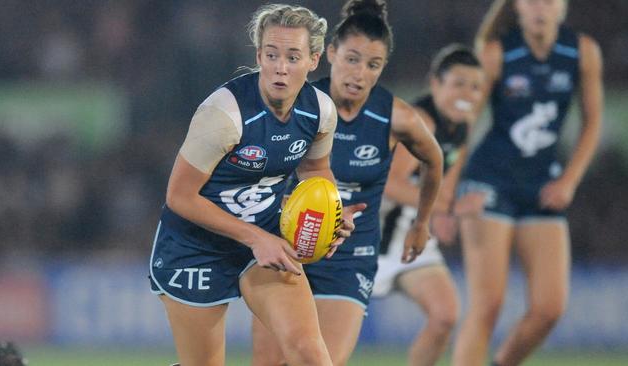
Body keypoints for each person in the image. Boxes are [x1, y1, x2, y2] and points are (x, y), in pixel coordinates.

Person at [147, 4, 365, 366]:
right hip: (196, 247)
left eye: (293, 56)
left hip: (265, 242)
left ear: (313, 60)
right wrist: (255, 238)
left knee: (312, 357)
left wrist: (331, 211)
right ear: (258, 56)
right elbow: (179, 196)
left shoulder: (320, 112)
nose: (281, 67)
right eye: (272, 54)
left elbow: (316, 171)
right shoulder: (224, 115)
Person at [251, 1, 444, 365]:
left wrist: (422, 222)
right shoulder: (301, 103)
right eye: (352, 59)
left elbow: (434, 160)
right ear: (330, 54)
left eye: (373, 65)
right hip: (287, 247)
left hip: (351, 257)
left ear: (383, 67)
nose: (359, 74)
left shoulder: (395, 116)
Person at [451, 0, 603, 365]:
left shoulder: (582, 51)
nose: (540, 7)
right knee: (487, 304)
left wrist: (569, 180)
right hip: (489, 182)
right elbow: (465, 126)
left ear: (563, 6)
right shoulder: (495, 53)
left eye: (548, 0)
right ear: (517, 6)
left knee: (549, 308)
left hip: (541, 186)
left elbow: (592, 122)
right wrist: (448, 194)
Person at [373, 44, 485, 366]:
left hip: (413, 234)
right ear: (436, 84)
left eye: (476, 86)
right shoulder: (421, 121)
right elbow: (390, 185)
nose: (468, 93)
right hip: (373, 236)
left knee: (445, 314)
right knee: (326, 336)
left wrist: (446, 214)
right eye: (459, 84)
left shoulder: (462, 126)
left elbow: (445, 189)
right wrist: (451, 209)